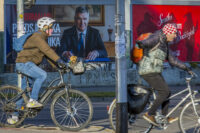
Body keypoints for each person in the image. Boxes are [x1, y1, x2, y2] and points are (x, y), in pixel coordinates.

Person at [7, 17, 66, 124]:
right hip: (24, 63)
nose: (52, 30)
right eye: (51, 27)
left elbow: (47, 56)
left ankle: (14, 117)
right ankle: (33, 100)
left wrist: (58, 66)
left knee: (24, 91)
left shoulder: (42, 38)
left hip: (27, 64)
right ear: (44, 28)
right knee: (42, 75)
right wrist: (60, 60)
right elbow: (48, 51)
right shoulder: (37, 37)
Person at [136, 23, 194, 126]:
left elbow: (173, 60)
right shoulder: (157, 37)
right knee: (164, 92)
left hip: (154, 71)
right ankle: (150, 114)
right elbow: (148, 41)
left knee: (167, 92)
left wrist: (186, 68)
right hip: (148, 70)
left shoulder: (165, 44)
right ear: (168, 33)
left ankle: (163, 117)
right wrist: (141, 44)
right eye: (174, 34)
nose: (176, 36)